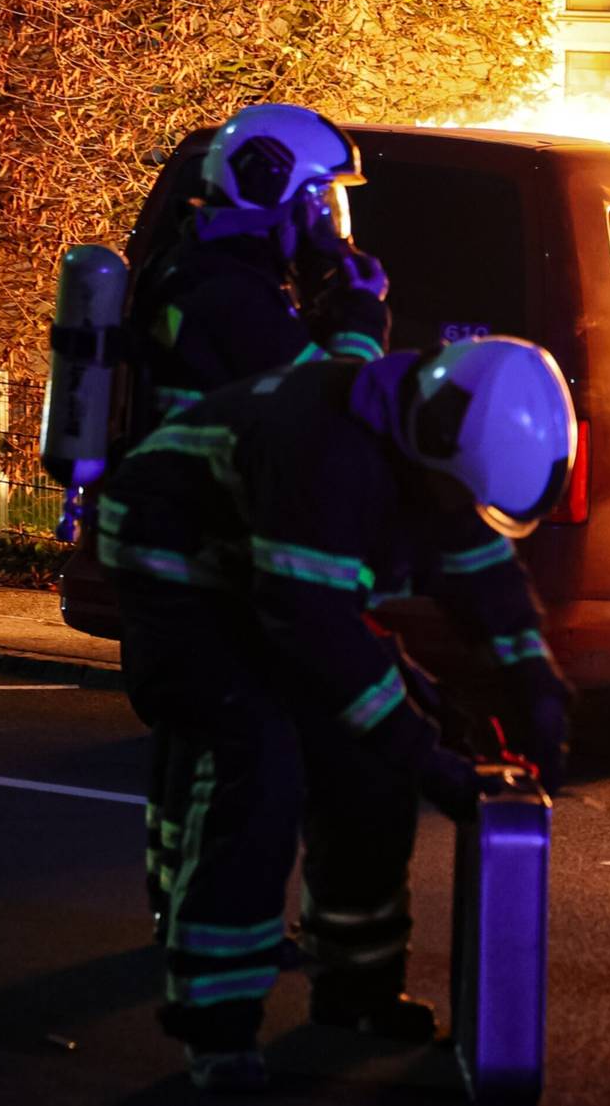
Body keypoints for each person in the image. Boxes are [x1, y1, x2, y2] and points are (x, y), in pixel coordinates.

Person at [97, 338, 576, 1092]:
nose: (460, 512)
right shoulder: (322, 453)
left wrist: (537, 685)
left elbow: (480, 570)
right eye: (457, 496)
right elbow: (317, 637)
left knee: (368, 768)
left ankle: (357, 991)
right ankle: (216, 1032)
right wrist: (428, 756)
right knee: (257, 761)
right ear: (429, 455)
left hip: (268, 571)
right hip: (176, 562)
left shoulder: (444, 448)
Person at [128, 104, 392, 939]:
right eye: (323, 205)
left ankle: (174, 903)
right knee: (251, 760)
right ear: (278, 193)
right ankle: (219, 953)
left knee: (190, 753)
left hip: (172, 564)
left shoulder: (190, 275)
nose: (331, 226)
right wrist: (359, 327)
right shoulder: (235, 302)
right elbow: (324, 417)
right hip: (208, 575)